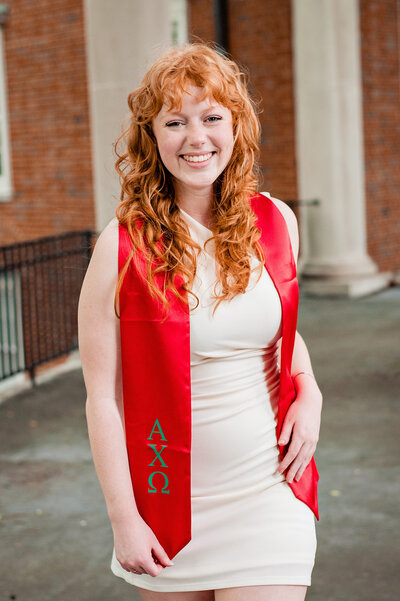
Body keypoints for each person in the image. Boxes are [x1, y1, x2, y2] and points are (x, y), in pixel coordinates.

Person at [77, 41, 323, 601]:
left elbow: (278, 327)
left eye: (212, 117)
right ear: (151, 136)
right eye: (175, 121)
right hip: (168, 510)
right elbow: (103, 397)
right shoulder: (122, 248)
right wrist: (123, 519)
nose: (196, 137)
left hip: (268, 494)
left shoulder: (276, 222)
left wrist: (310, 391)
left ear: (235, 125)